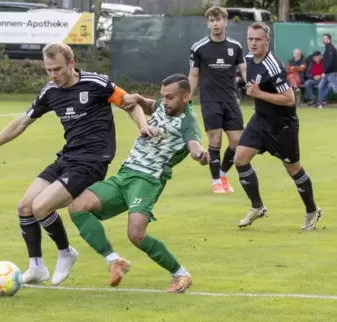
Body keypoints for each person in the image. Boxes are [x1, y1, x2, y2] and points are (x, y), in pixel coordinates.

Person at [0, 42, 152, 286]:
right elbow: (22, 122)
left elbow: (130, 103)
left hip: (92, 161)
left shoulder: (96, 83)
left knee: (41, 207)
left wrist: (143, 126)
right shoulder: (50, 92)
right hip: (67, 157)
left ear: (71, 64)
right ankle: (36, 267)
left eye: (57, 69)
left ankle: (66, 253)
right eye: (48, 70)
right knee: (25, 207)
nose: (53, 75)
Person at [68, 74, 209, 293]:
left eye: (171, 97)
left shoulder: (187, 122)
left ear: (185, 97)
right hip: (125, 174)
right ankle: (115, 260)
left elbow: (194, 144)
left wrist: (200, 154)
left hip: (148, 180)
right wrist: (139, 99)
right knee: (77, 207)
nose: (166, 101)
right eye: (164, 96)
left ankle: (180, 274)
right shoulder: (164, 105)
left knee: (136, 234)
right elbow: (152, 105)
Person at [236, 22, 321, 230]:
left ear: (267, 41)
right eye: (250, 39)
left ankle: (312, 211)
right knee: (240, 159)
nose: (253, 43)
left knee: (292, 168)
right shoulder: (248, 59)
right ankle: (257, 206)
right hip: (260, 121)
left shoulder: (273, 65)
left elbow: (290, 99)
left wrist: (259, 94)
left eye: (258, 39)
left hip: (282, 126)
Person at [188, 6, 247, 195]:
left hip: (230, 99)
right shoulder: (199, 48)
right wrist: (187, 99)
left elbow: (245, 71)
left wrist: (255, 86)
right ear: (208, 24)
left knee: (237, 142)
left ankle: (223, 173)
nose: (215, 24)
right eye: (212, 21)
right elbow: (193, 76)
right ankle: (216, 181)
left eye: (218, 20)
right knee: (215, 139)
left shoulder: (235, 47)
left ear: (225, 22)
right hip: (210, 100)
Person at [316, 34, 337, 109]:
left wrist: (325, 71)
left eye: (325, 38)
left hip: (331, 73)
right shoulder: (327, 48)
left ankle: (320, 102)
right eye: (323, 38)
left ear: (329, 40)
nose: (323, 40)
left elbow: (330, 62)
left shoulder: (331, 48)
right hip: (327, 73)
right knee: (320, 87)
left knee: (335, 89)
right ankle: (320, 103)